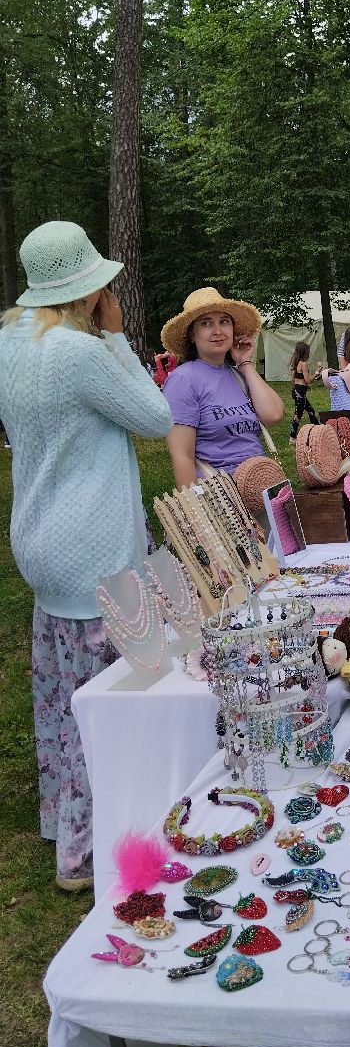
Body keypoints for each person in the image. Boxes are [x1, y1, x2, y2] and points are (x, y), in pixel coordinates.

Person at [0, 220, 173, 891]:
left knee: (60, 694)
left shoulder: (11, 340)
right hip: (97, 543)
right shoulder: (79, 349)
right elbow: (156, 418)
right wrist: (116, 337)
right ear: (89, 289)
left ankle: (62, 818)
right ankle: (84, 850)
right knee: (110, 699)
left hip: (40, 538)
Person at [161, 287, 284, 488]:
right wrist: (197, 511)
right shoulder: (183, 379)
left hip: (263, 487)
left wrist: (245, 364)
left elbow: (274, 414)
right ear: (192, 334)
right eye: (206, 323)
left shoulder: (237, 374)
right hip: (222, 497)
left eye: (224, 322)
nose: (217, 331)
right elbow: (182, 457)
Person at [288, 340, 320, 441]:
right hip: (300, 392)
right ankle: (292, 437)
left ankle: (318, 430)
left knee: (311, 411)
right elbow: (308, 380)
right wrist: (317, 372)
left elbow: (294, 379)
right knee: (298, 414)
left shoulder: (296, 363)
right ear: (305, 352)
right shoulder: (303, 364)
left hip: (297, 390)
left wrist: (303, 386)